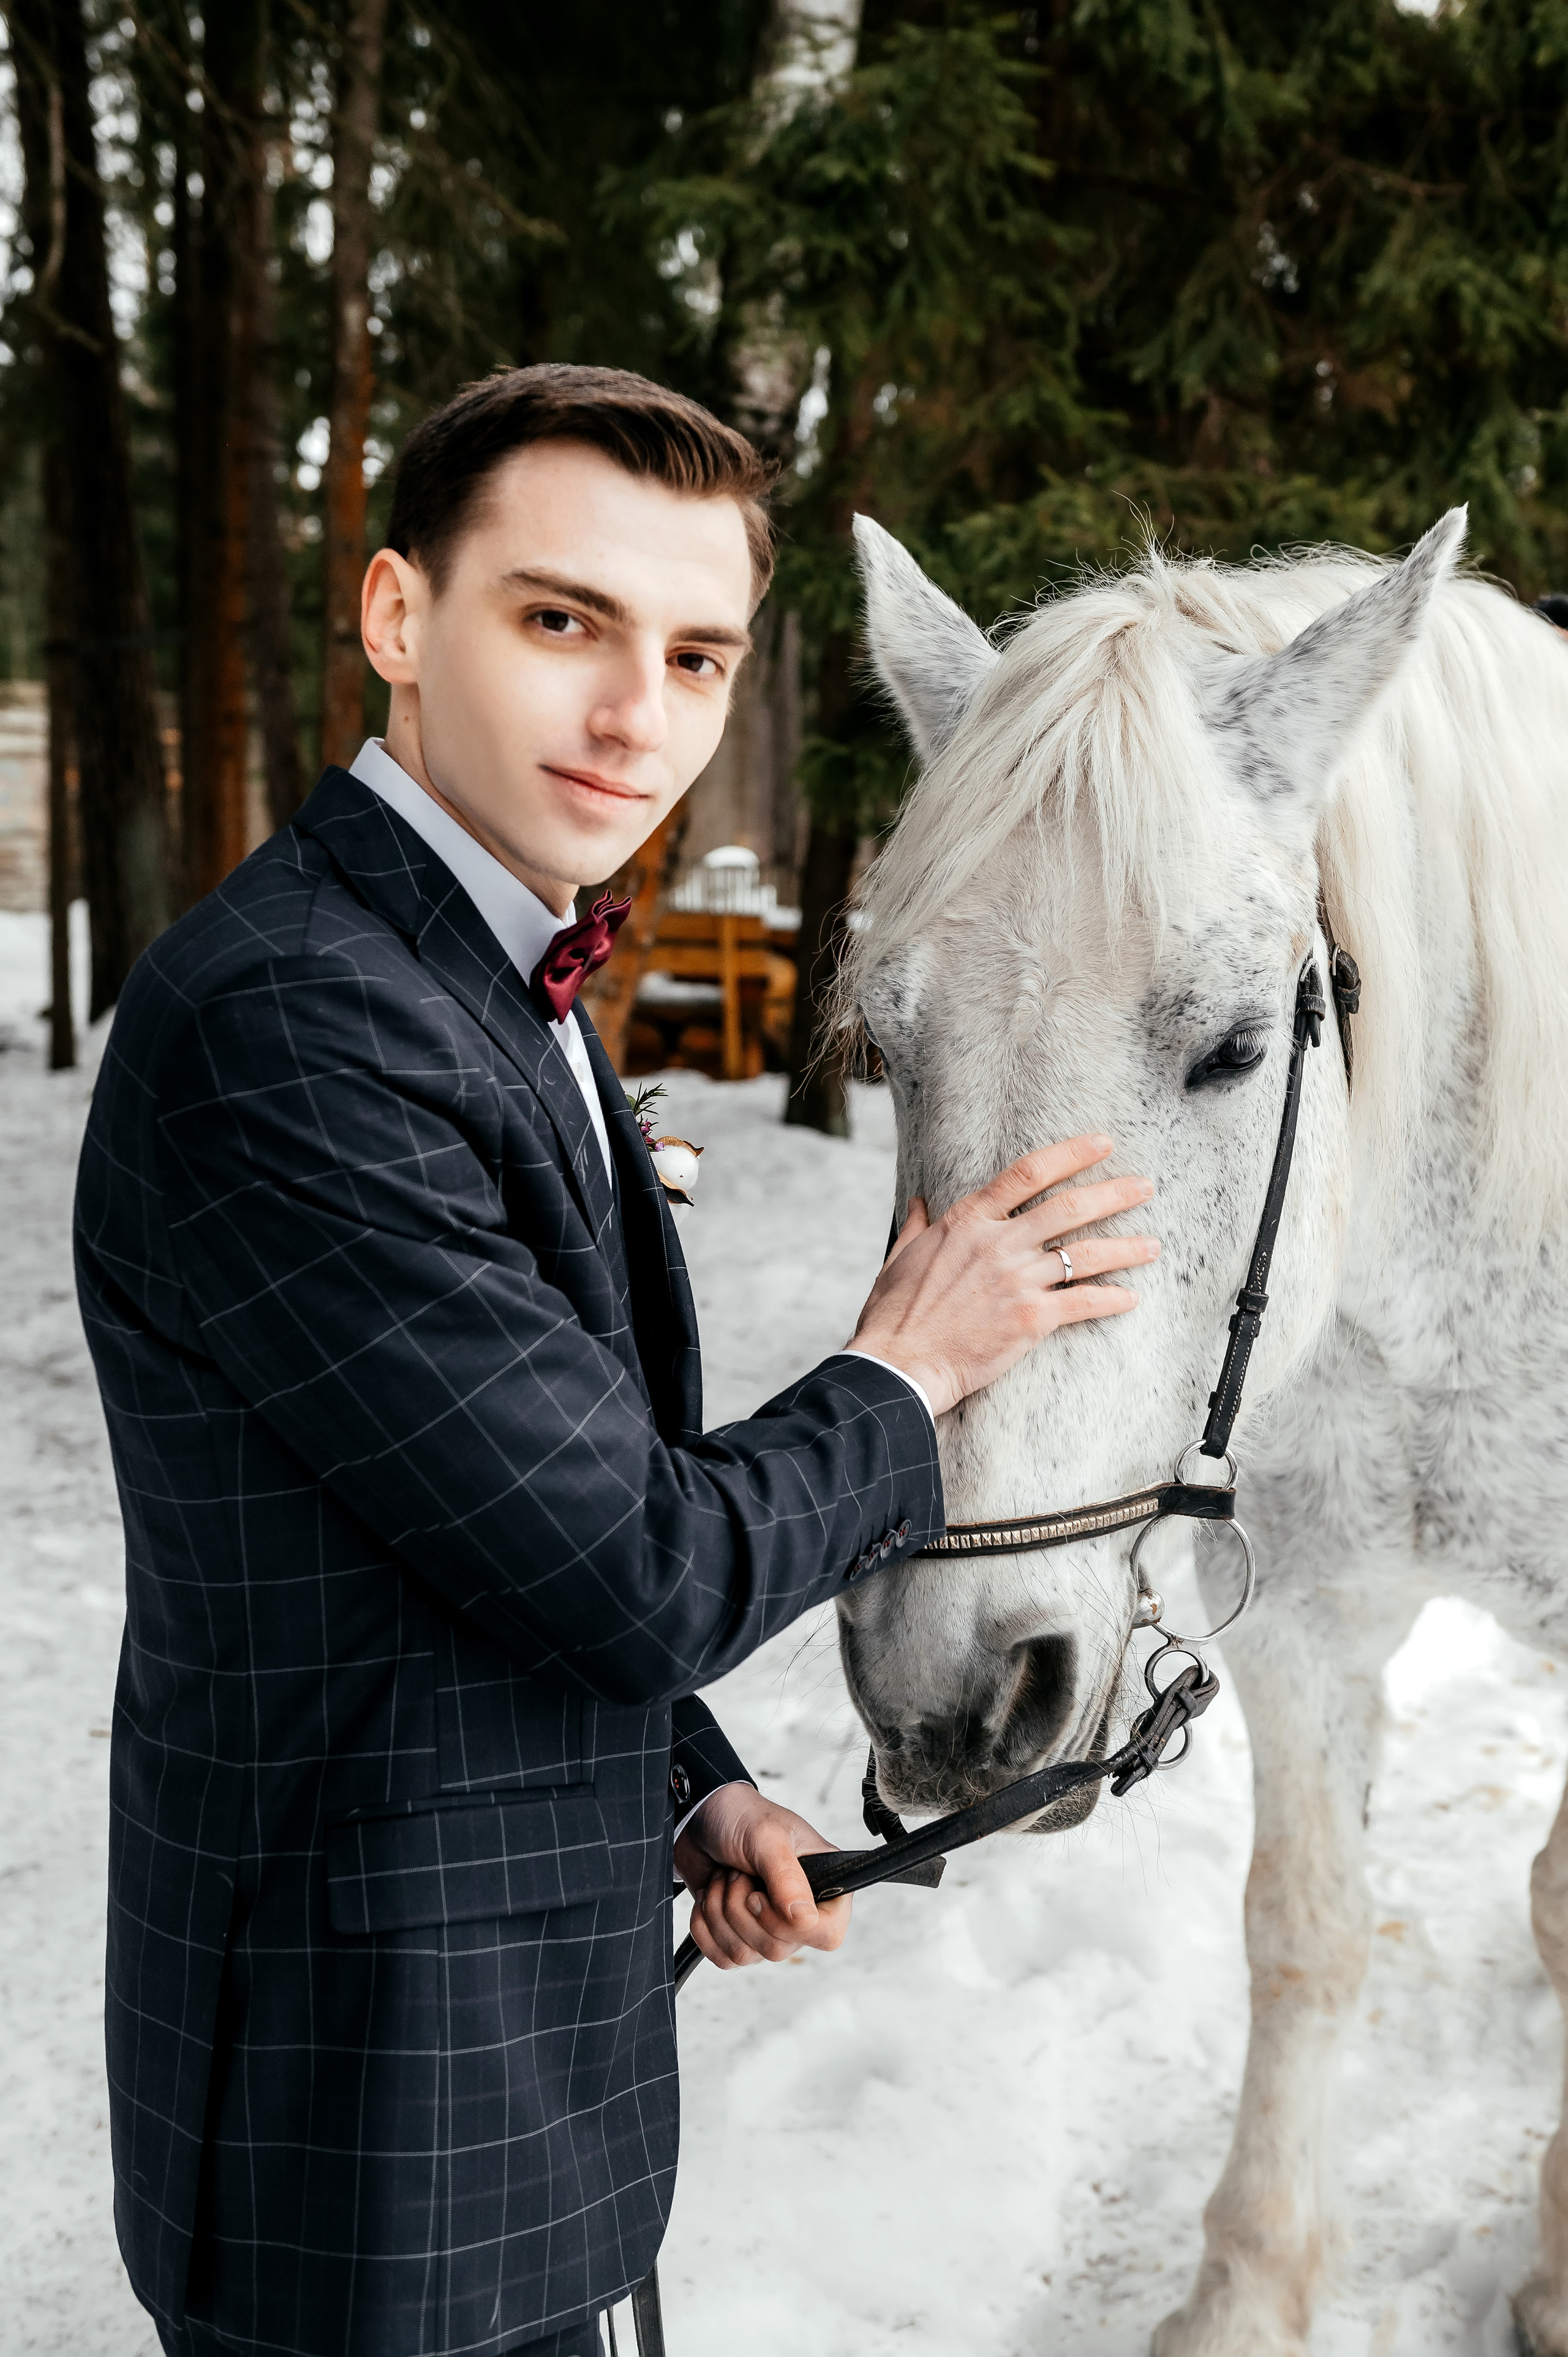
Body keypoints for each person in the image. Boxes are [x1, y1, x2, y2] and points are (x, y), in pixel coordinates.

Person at [74, 364, 1159, 2357]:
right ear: (400, 615)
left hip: (500, 2100)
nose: (634, 712)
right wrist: (906, 1374)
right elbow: (631, 1561)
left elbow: (468, 1523)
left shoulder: (494, 973)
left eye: (696, 655)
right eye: (563, 619)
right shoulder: (298, 1022)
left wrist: (692, 1794)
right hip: (367, 2129)